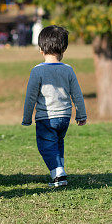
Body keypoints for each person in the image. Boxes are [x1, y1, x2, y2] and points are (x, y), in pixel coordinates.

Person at [22, 25, 87, 187]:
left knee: (45, 145)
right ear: (64, 48)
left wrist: (27, 117)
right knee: (58, 142)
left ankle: (58, 173)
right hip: (65, 117)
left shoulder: (37, 71)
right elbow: (77, 94)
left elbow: (31, 97)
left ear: (41, 49)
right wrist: (81, 114)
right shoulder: (68, 70)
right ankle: (60, 171)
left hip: (46, 118)